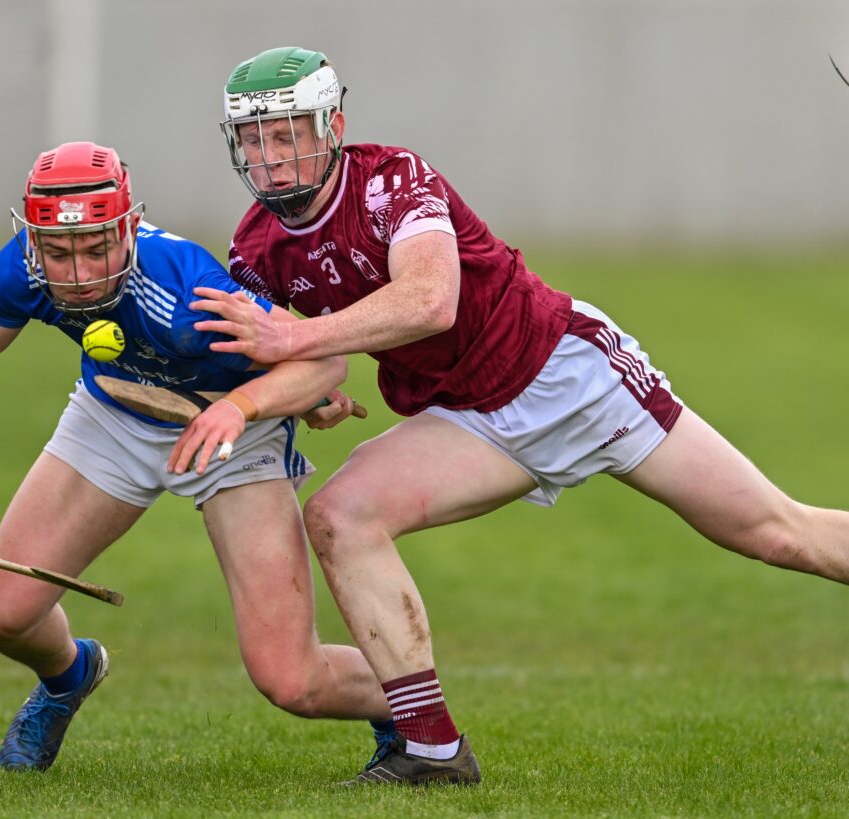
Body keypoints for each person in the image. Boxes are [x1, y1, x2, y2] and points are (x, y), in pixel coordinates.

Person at [190, 45, 849, 785]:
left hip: (571, 376)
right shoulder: (255, 247)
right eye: (253, 139)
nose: (270, 156)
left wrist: (298, 336)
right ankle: (433, 752)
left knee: (776, 533)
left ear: (332, 125)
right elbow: (295, 360)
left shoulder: (391, 180)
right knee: (341, 514)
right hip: (471, 418)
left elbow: (430, 299)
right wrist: (310, 388)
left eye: (287, 134)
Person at [0, 140, 394, 773]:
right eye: (59, 252)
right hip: (114, 413)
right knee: (1, 617)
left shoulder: (185, 286)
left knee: (294, 681)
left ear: (129, 228)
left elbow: (325, 362)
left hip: (234, 432)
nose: (77, 275)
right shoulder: (22, 269)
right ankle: (69, 676)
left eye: (97, 249)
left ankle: (414, 711)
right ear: (34, 238)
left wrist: (254, 403)